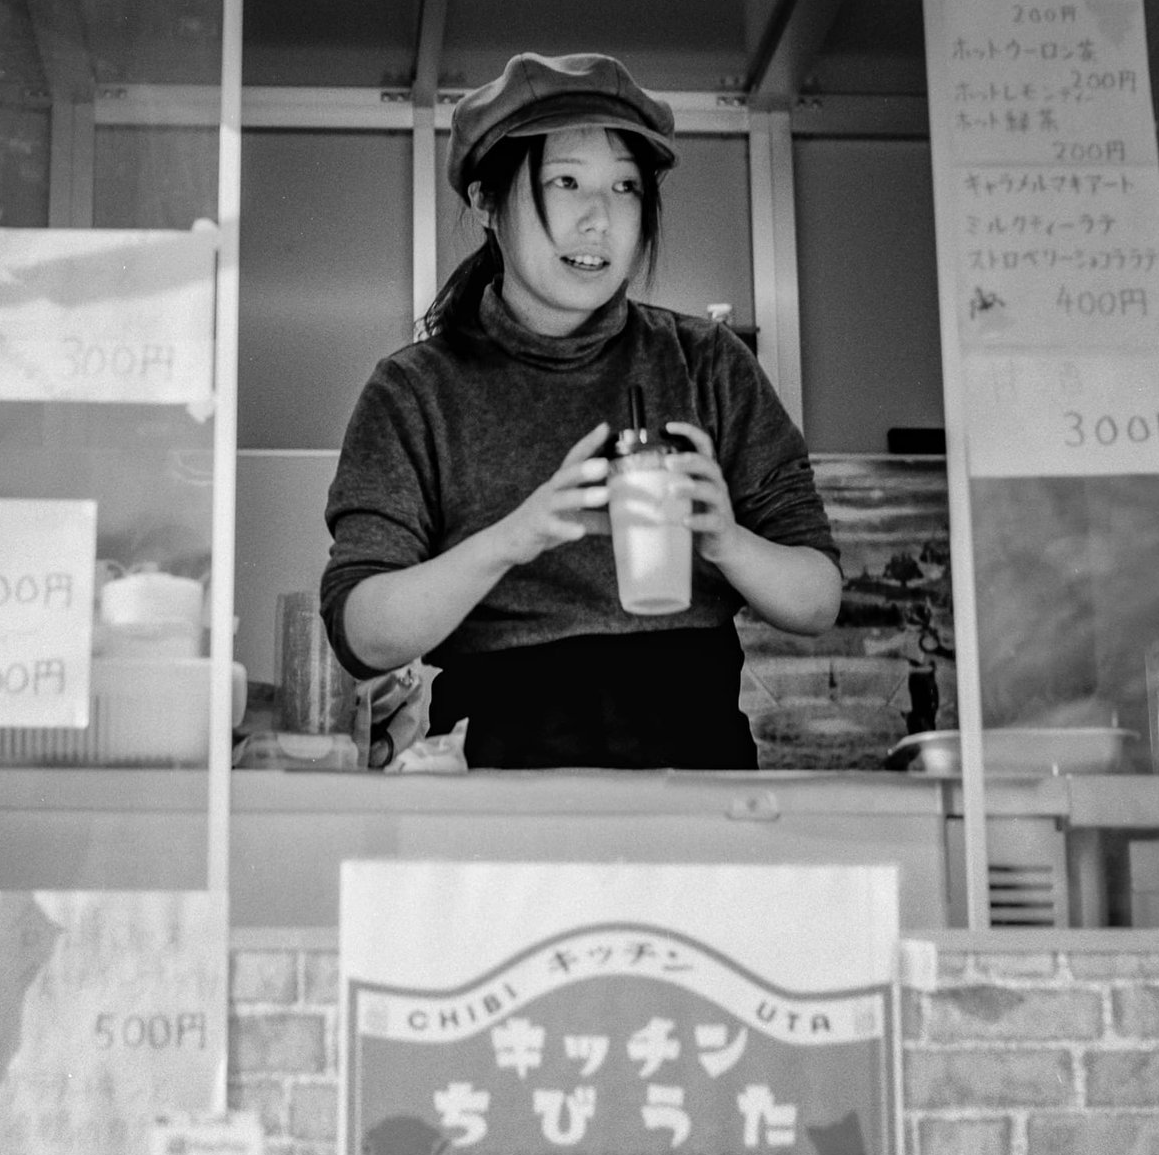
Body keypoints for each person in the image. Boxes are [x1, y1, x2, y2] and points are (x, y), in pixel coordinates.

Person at [320, 52, 841, 769]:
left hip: (695, 773)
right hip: (501, 778)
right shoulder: (416, 391)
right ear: (484, 199)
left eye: (625, 186)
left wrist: (726, 540)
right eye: (566, 182)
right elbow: (362, 633)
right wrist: (517, 535)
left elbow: (816, 600)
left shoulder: (707, 363)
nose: (599, 219)